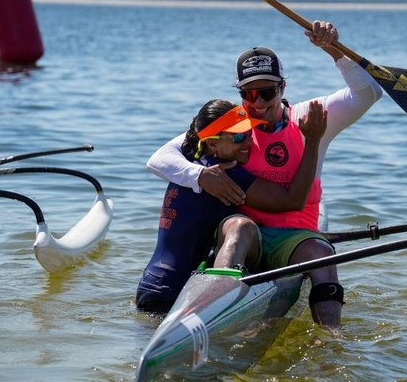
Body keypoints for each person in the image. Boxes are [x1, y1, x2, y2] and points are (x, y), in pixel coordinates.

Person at [147, 20, 383, 330]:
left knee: (322, 253)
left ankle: (331, 341)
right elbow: (159, 158)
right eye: (249, 93)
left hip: (295, 237)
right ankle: (211, 316)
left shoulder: (309, 116)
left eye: (267, 91)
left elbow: (369, 93)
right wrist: (200, 176)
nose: (258, 102)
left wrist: (334, 51)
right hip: (245, 236)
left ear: (283, 87)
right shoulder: (233, 124)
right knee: (239, 226)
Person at [137, 99, 327, 314]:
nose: (248, 143)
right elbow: (292, 200)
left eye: (248, 134)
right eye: (238, 137)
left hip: (151, 285)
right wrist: (312, 141)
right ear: (213, 144)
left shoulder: (191, 167)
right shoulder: (226, 174)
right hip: (180, 293)